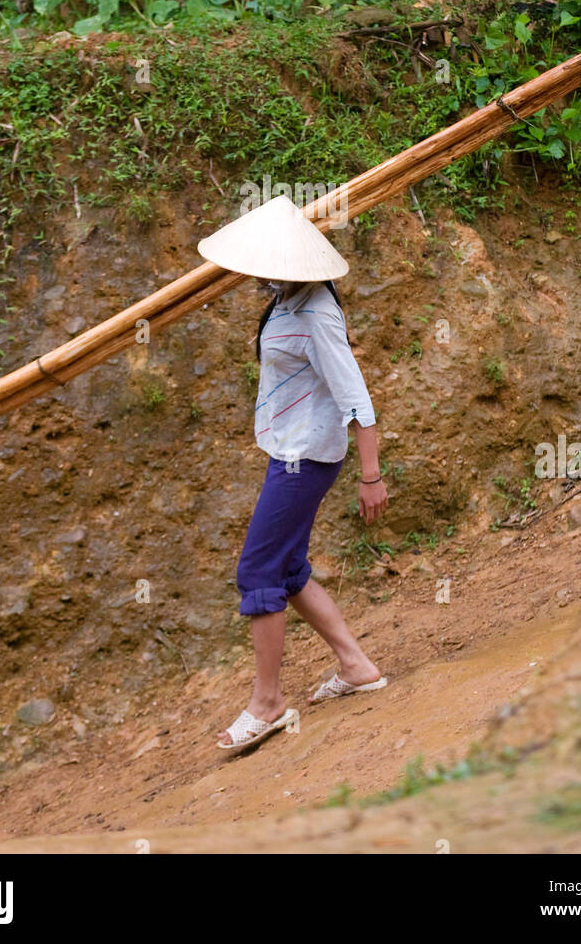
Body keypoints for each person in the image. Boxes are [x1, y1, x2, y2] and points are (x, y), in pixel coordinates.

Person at [197, 194, 389, 755]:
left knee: (257, 572)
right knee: (288, 568)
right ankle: (356, 666)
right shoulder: (285, 298)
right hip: (288, 451)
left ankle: (268, 703)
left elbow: (357, 398)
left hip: (305, 457)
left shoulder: (318, 314)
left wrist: (371, 475)